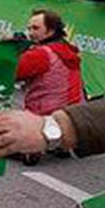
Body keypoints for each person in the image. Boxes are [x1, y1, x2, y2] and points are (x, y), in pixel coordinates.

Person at [13, 9, 83, 165]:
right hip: (73, 115)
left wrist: (11, 48)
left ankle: (32, 146)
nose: (30, 33)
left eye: (35, 28)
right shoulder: (69, 49)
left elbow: (12, 72)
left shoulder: (41, 54)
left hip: (44, 115)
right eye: (29, 28)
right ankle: (64, 142)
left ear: (50, 31)